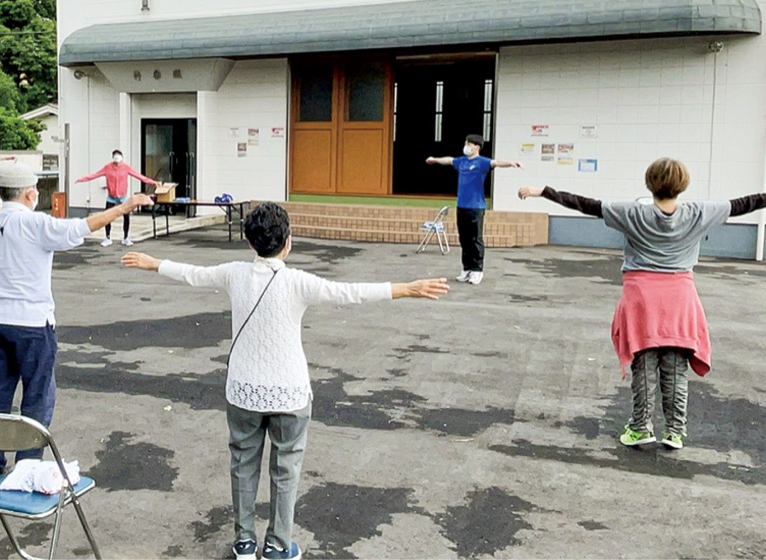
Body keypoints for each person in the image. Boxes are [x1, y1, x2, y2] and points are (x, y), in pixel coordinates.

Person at [121, 202, 447, 560]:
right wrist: (406, 288)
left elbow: (193, 274)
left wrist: (154, 263)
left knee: (243, 464)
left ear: (250, 243)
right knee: (286, 468)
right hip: (290, 394)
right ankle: (278, 545)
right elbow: (349, 292)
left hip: (243, 391)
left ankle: (245, 542)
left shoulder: (234, 274)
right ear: (288, 242)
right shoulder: (298, 283)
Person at [518, 158, 766, 450]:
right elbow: (745, 204)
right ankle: (674, 432)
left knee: (644, 365)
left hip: (641, 299)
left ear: (650, 183)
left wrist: (543, 191)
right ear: (683, 184)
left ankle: (640, 427)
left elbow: (586, 204)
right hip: (680, 299)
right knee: (676, 368)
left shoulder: (632, 213)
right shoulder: (699, 213)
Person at [0, 164, 153, 479]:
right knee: (37, 395)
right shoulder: (37, 223)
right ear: (30, 194)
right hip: (33, 323)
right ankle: (26, 465)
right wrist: (124, 206)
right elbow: (82, 227)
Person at [426, 134, 522, 285]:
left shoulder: (482, 162)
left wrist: (510, 163)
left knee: (475, 239)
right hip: (461, 206)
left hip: (476, 207)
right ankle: (467, 269)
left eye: (469, 144)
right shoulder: (462, 161)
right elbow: (449, 160)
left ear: (477, 147)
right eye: (465, 144)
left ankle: (477, 270)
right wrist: (435, 159)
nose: (466, 147)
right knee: (464, 239)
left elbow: (496, 162)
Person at [75, 150, 160, 246]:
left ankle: (126, 237)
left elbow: (139, 176)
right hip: (111, 196)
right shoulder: (107, 168)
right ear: (112, 157)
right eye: (115, 156)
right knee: (107, 216)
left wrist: (153, 182)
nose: (117, 158)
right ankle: (107, 237)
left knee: (126, 216)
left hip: (123, 196)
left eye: (118, 156)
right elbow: (94, 175)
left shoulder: (126, 167)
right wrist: (81, 179)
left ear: (122, 157)